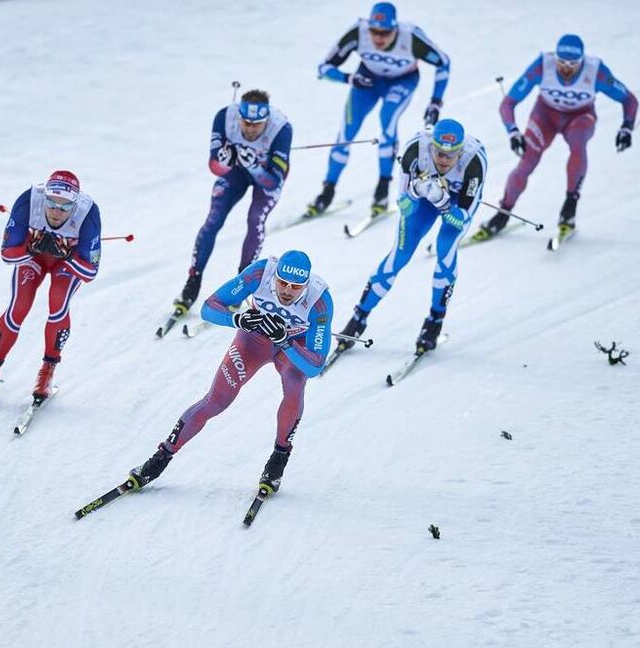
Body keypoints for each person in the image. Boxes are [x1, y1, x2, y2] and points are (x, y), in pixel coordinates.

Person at [132, 250, 333, 496]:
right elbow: (209, 307)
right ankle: (161, 457)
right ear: (275, 276)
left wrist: (287, 342)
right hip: (254, 341)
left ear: (306, 284)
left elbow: (315, 366)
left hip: (289, 349)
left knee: (295, 384)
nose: (287, 291)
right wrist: (238, 319)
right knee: (216, 401)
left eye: (295, 286)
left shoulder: (320, 300)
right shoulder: (261, 272)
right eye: (282, 283)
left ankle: (278, 458)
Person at [336, 119, 486, 356]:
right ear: (432, 146)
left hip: (455, 204)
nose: (444, 160)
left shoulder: (474, 163)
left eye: (451, 155)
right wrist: (417, 189)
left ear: (460, 151)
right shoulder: (415, 150)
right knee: (399, 256)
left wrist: (444, 201)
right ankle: (359, 317)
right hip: (423, 200)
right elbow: (404, 206)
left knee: (445, 251)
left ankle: (435, 321)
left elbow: (461, 220)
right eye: (439, 152)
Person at [470, 33, 638, 243]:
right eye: (562, 62)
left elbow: (629, 100)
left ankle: (569, 208)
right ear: (555, 58)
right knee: (527, 161)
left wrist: (627, 128)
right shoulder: (543, 65)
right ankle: (502, 214)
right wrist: (513, 132)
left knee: (578, 145)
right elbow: (508, 103)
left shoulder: (596, 72)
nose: (566, 68)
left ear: (582, 61)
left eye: (573, 64)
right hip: (546, 116)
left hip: (580, 117)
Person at [306, 1, 450, 219]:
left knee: (387, 121)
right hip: (368, 80)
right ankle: (327, 190)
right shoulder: (358, 32)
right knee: (347, 132)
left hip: (402, 82)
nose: (379, 38)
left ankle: (382, 188)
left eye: (385, 32)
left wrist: (435, 102)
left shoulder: (410, 37)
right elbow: (323, 68)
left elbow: (443, 62)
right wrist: (349, 78)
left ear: (396, 28)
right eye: (374, 31)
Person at [0, 170, 101, 403]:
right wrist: (32, 249)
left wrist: (67, 256)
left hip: (65, 265)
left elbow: (90, 271)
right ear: (44, 198)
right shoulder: (29, 201)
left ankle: (47, 371)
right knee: (18, 307)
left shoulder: (88, 213)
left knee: (58, 304)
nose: (57, 211)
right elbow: (7, 254)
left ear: (75, 205)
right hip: (33, 259)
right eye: (52, 203)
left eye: (65, 207)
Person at [172, 89, 293, 313]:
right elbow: (214, 167)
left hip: (265, 177)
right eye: (246, 122)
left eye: (257, 124)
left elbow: (274, 183)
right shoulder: (224, 117)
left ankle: (242, 284)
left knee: (255, 219)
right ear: (239, 116)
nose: (250, 129)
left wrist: (255, 168)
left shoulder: (281, 129)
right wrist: (225, 163)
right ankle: (193, 281)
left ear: (267, 120)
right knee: (213, 221)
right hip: (235, 173)